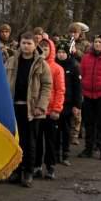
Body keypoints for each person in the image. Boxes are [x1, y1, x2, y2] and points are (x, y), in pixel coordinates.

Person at [4, 31, 53, 184]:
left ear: (35, 45)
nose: (26, 46)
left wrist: (41, 106)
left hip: (32, 109)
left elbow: (47, 86)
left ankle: (28, 172)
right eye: (23, 43)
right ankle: (16, 171)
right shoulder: (11, 61)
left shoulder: (41, 64)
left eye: (29, 43)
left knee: (30, 141)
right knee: (14, 141)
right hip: (13, 107)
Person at [39, 34, 66, 179]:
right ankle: (36, 166)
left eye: (46, 48)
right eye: (41, 47)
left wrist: (57, 108)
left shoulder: (57, 69)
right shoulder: (35, 65)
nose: (43, 50)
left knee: (50, 141)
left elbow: (60, 90)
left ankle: (50, 166)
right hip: (37, 110)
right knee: (36, 140)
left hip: (51, 111)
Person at [55, 37, 81, 167]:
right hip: (54, 103)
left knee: (65, 130)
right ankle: (55, 153)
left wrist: (77, 105)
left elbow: (78, 87)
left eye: (63, 52)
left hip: (68, 103)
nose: (61, 54)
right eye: (59, 52)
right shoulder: (54, 64)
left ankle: (65, 154)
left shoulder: (74, 66)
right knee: (55, 130)